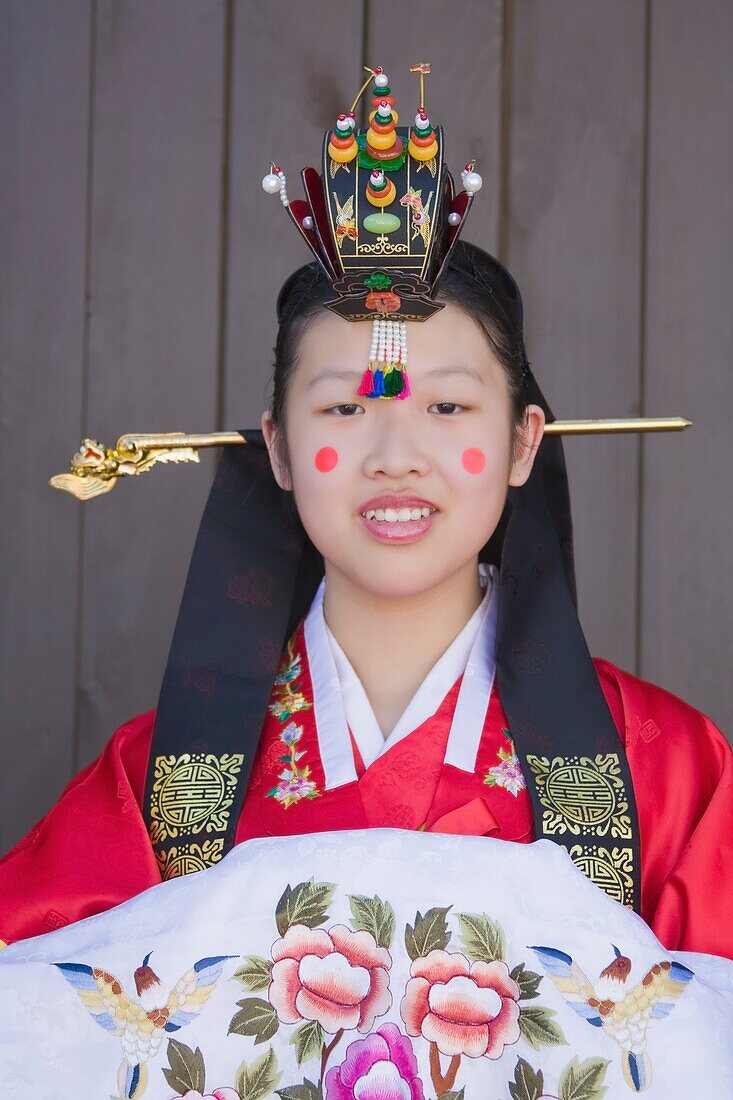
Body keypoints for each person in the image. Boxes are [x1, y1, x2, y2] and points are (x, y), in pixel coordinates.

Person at [1, 66, 731, 963]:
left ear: (521, 443)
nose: (394, 454)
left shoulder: (662, 769)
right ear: (274, 446)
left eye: (448, 409)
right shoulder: (166, 788)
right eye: (344, 410)